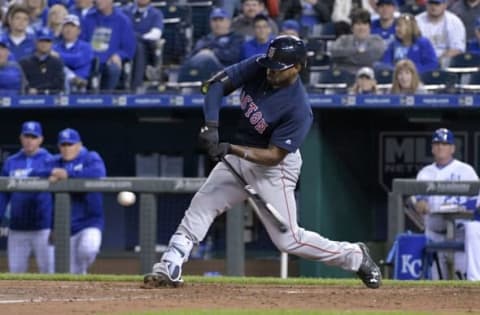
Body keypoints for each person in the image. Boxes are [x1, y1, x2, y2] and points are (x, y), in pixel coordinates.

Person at [143, 35, 382, 290]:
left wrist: (230, 147)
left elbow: (274, 155)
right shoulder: (260, 66)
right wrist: (211, 126)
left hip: (274, 169)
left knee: (288, 241)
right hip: (239, 156)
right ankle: (171, 263)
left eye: (278, 68)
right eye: (270, 64)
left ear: (298, 68)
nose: (271, 71)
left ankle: (354, 256)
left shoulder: (298, 109)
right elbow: (215, 85)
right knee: (202, 204)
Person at [37, 128, 106, 274]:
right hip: (63, 226)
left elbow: (98, 173)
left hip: (89, 222)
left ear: (79, 145)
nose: (67, 148)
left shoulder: (90, 157)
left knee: (88, 249)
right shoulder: (55, 161)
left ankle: (82, 271)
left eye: (70, 144)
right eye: (64, 145)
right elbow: (35, 171)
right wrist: (52, 172)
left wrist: (68, 174)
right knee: (62, 271)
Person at [414, 128, 479, 280]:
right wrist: (422, 205)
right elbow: (420, 203)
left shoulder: (466, 171)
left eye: (444, 143)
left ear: (452, 148)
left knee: (462, 278)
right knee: (438, 283)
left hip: (460, 233)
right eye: (437, 143)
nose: (440, 147)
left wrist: (463, 209)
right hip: (434, 233)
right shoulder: (425, 173)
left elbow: (476, 200)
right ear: (432, 148)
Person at [0, 121, 54, 274]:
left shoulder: (50, 160)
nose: (29, 140)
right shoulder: (11, 162)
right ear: (21, 138)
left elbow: (58, 195)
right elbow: (3, 194)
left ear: (40, 139)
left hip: (43, 228)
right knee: (16, 272)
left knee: (49, 272)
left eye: (33, 136)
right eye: (26, 136)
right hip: (17, 228)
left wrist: (54, 224)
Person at [81, 0, 136, 91]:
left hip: (109, 61)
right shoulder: (88, 18)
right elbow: (81, 41)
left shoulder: (123, 21)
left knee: (114, 68)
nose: (98, 1)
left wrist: (119, 55)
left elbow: (129, 49)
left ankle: (106, 98)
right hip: (90, 60)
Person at [178, 8, 244, 82]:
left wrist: (212, 52)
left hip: (225, 73)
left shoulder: (236, 38)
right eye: (214, 20)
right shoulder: (205, 39)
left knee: (206, 55)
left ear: (228, 22)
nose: (217, 23)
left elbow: (233, 56)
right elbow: (191, 56)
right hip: (202, 73)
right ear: (210, 23)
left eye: (221, 20)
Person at [122, 0, 164, 91]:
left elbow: (156, 34)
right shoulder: (125, 11)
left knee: (139, 46)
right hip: (124, 45)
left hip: (147, 48)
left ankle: (135, 86)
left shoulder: (156, 14)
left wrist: (137, 37)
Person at [329, 8, 386, 74]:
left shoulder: (377, 40)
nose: (361, 27)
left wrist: (345, 58)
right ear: (352, 27)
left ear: (370, 27)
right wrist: (358, 50)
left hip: (368, 77)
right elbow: (333, 52)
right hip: (345, 75)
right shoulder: (343, 39)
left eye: (364, 24)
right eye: (358, 24)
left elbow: (369, 59)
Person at [415, 0, 466, 67]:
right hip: (422, 62)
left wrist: (438, 61)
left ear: (445, 5)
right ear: (426, 4)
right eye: (431, 3)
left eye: (437, 4)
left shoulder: (454, 22)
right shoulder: (417, 21)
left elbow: (457, 49)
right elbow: (411, 46)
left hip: (447, 63)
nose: (433, 7)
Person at [53, 14, 93, 92]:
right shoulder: (55, 47)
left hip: (80, 86)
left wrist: (58, 56)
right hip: (59, 84)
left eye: (72, 27)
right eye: (66, 27)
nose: (69, 30)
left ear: (79, 31)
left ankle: (72, 79)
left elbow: (77, 61)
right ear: (62, 30)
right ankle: (72, 78)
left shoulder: (86, 47)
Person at [20, 27, 65, 94]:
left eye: (47, 41)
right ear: (35, 42)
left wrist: (39, 91)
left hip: (52, 99)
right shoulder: (24, 63)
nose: (44, 44)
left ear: (52, 43)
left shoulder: (57, 62)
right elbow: (22, 84)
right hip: (29, 100)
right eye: (41, 41)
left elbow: (59, 85)